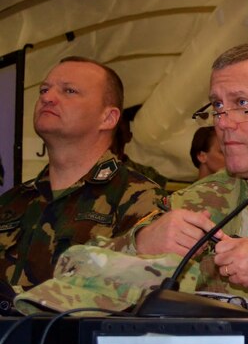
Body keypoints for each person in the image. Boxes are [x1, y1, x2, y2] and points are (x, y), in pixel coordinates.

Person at [16, 42, 248, 316]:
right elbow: (72, 273)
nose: (223, 122)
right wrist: (142, 243)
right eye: (217, 106)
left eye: (241, 103)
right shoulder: (195, 202)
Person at [0, 57, 162, 288]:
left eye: (69, 91)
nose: (47, 97)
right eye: (44, 89)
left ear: (107, 118)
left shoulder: (138, 198)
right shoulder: (12, 202)